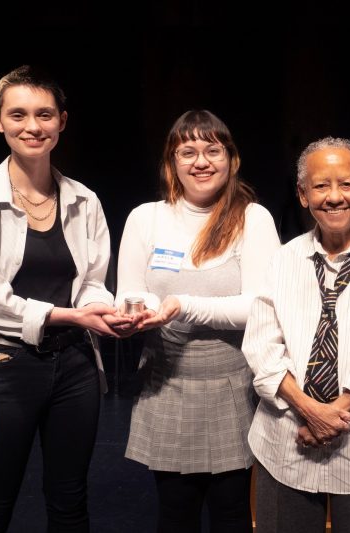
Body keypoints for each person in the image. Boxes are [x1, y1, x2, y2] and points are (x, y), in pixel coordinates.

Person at [0, 65, 126, 532]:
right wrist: (73, 315)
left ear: (62, 121)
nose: (32, 126)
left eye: (44, 114)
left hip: (75, 368)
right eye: (18, 114)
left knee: (70, 504)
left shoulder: (84, 199)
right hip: (6, 367)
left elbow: (92, 279)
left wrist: (99, 308)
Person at [115, 109, 281, 532]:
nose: (201, 161)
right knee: (175, 513)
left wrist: (181, 304)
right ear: (172, 161)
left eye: (213, 150)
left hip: (234, 384)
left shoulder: (253, 218)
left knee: (231, 513)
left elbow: (260, 308)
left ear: (231, 159)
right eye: (188, 151)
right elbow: (130, 293)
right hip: (166, 383)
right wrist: (136, 311)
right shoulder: (145, 218)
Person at [242, 138, 350, 533]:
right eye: (321, 186)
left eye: (347, 185)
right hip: (288, 439)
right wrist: (309, 410)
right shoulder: (283, 260)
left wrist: (331, 415)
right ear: (303, 195)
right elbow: (261, 345)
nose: (335, 197)